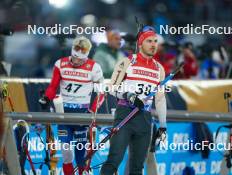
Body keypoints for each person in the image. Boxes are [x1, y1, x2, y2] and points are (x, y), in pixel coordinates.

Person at [100, 26, 167, 175]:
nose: (153, 44)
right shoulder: (128, 61)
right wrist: (128, 96)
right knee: (114, 160)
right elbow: (111, 88)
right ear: (141, 43)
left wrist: (163, 126)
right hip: (125, 114)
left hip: (145, 118)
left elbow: (161, 99)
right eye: (149, 41)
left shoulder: (159, 69)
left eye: (155, 41)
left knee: (137, 166)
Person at [38, 36, 104, 175]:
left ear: (87, 56)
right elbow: (53, 87)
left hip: (82, 116)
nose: (77, 61)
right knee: (66, 153)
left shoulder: (94, 67)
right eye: (75, 58)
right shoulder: (60, 64)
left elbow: (102, 93)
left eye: (81, 59)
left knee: (81, 155)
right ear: (72, 51)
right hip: (64, 115)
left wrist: (92, 111)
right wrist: (46, 98)